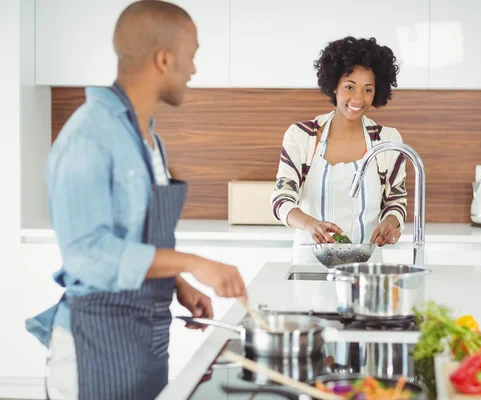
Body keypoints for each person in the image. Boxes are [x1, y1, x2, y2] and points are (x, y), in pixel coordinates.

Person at [25, 1, 247, 399]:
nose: (194, 70)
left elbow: (132, 238)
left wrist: (176, 281)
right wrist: (194, 264)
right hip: (95, 345)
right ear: (164, 59)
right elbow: (86, 254)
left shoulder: (147, 139)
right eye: (191, 57)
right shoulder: (88, 135)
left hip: (145, 340)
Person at [270, 36, 408, 265]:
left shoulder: (387, 140)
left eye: (367, 90)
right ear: (334, 85)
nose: (358, 98)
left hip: (367, 266)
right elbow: (281, 199)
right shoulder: (302, 136)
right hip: (310, 262)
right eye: (350, 87)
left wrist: (391, 222)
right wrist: (310, 224)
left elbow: (396, 199)